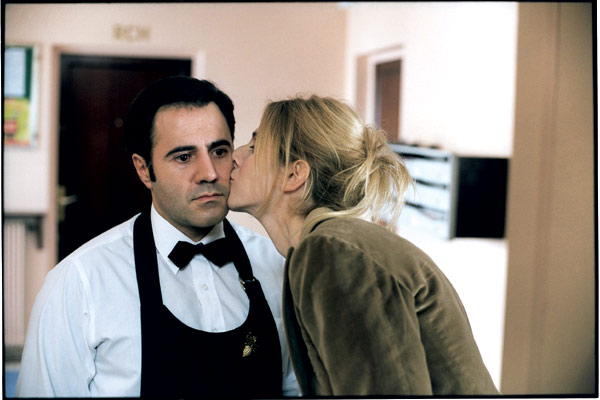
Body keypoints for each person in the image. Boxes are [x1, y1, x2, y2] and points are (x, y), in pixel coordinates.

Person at [16, 76, 299, 398]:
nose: (209, 173)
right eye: (183, 157)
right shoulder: (81, 280)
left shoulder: (276, 264)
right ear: (144, 170)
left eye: (219, 151)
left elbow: (295, 387)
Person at [227, 94, 500, 396]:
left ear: (294, 174)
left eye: (254, 147)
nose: (235, 156)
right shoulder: (338, 244)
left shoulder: (331, 252)